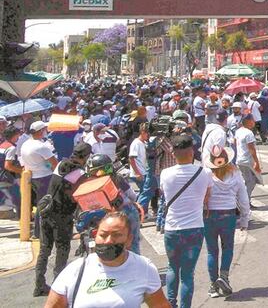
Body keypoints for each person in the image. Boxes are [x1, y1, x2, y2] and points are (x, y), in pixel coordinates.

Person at [45, 211, 169, 308]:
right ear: (95, 236)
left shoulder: (144, 268)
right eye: (103, 235)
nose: (109, 240)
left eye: (116, 235)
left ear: (129, 239)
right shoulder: (75, 270)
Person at [159, 133, 213, 308]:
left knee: (172, 267)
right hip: (194, 228)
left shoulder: (165, 174)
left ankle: (171, 303)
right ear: (192, 152)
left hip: (172, 229)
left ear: (173, 153)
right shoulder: (205, 172)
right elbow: (207, 198)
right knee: (188, 274)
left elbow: (164, 196)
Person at [33, 143, 91, 297]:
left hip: (46, 210)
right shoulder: (80, 173)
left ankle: (39, 285)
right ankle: (59, 285)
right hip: (62, 215)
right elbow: (77, 195)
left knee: (44, 249)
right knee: (62, 249)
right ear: (86, 157)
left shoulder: (60, 164)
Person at [203, 144, 250, 299]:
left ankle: (213, 286)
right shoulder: (235, 174)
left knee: (211, 251)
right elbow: (243, 198)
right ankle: (223, 276)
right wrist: (244, 219)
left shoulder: (206, 174)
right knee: (227, 248)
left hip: (209, 215)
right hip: (228, 215)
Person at [21, 120, 58, 214]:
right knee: (46, 205)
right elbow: (54, 163)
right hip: (45, 177)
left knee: (41, 203)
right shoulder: (41, 146)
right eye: (45, 129)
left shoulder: (25, 144)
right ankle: (41, 226)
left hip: (33, 177)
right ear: (41, 131)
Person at [234, 114, 261, 197]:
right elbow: (251, 149)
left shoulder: (238, 131)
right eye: (253, 120)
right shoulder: (249, 133)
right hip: (247, 161)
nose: (254, 122)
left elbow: (234, 143)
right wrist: (256, 162)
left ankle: (244, 200)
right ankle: (245, 201)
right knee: (250, 182)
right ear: (248, 122)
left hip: (240, 159)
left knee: (249, 181)